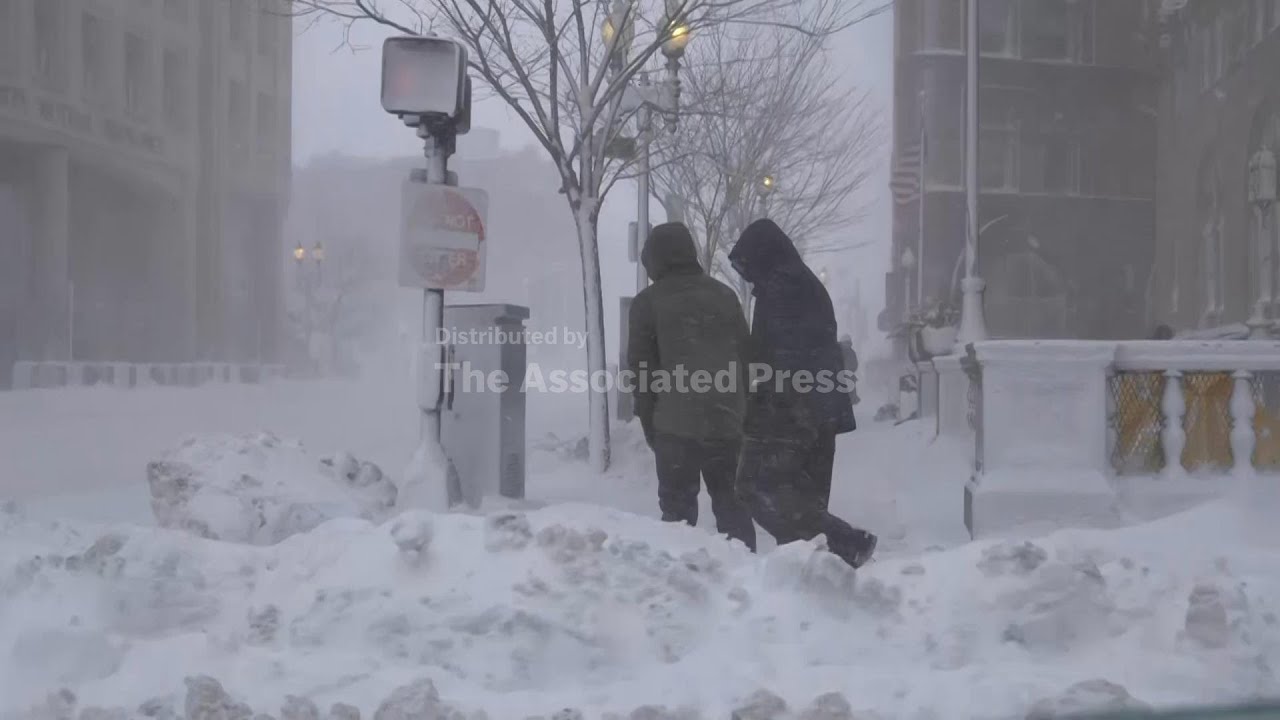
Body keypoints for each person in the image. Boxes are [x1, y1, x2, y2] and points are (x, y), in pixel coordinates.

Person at [727, 218, 877, 568]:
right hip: (818, 408)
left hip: (792, 410)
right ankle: (815, 571)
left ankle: (846, 543)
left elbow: (780, 355)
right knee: (802, 496)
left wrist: (765, 400)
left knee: (755, 486)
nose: (749, 277)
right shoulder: (800, 282)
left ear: (763, 254)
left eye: (748, 265)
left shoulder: (783, 287)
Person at [628, 222, 757, 551]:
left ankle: (683, 574)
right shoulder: (724, 296)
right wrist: (740, 411)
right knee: (732, 507)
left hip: (675, 427)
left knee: (678, 516)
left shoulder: (647, 302)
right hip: (726, 422)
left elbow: (642, 372)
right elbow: (746, 359)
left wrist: (651, 426)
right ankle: (747, 572)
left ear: (655, 260)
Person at [839, 334, 860, 407]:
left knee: (851, 393)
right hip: (838, 375)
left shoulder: (852, 352)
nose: (846, 344)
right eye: (845, 343)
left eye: (848, 343)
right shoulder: (837, 351)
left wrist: (848, 370)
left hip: (848, 375)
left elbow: (855, 365)